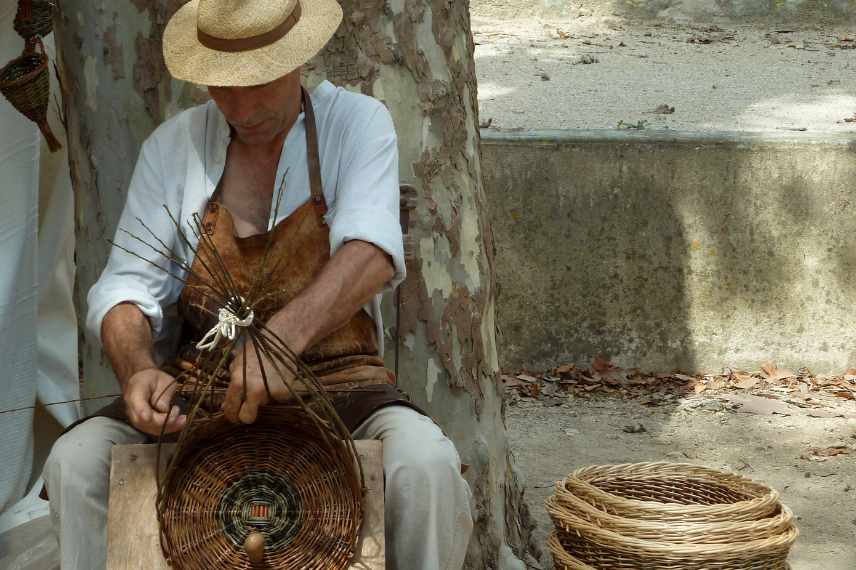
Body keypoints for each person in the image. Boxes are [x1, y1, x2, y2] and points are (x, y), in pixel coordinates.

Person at [43, 1, 473, 569]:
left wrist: (283, 339)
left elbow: (370, 251)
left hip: (340, 387)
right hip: (203, 394)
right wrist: (137, 369)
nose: (240, 107)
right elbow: (124, 288)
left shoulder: (356, 124)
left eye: (256, 83)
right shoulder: (172, 148)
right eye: (222, 86)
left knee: (426, 467)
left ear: (298, 59)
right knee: (76, 462)